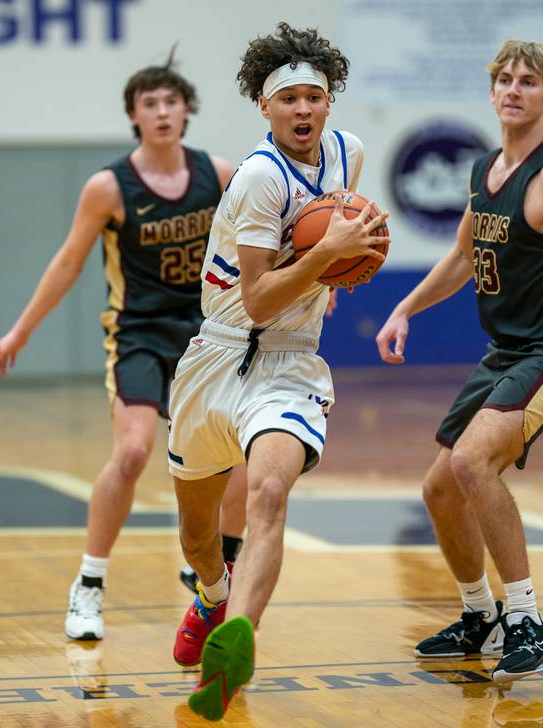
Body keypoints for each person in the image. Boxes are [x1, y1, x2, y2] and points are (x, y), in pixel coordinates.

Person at [376, 39, 543, 684]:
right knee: (438, 488)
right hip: (506, 352)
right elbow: (463, 257)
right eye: (505, 80)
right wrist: (404, 308)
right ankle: (479, 616)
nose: (514, 90)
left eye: (529, 82)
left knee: (470, 462)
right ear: (492, 92)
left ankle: (528, 624)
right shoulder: (484, 168)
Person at [166, 23, 389, 721]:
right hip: (220, 352)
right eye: (287, 99)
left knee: (266, 494)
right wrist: (331, 257)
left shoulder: (347, 153)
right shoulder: (262, 176)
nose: (301, 111)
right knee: (199, 537)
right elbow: (260, 298)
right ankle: (210, 593)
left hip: (290, 365)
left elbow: (336, 240)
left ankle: (238, 646)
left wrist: (356, 256)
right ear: (264, 108)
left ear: (329, 106)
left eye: (313, 99)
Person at [0, 53, 248, 641]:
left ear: (187, 111)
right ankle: (90, 583)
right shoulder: (109, 186)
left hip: (206, 334)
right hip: (137, 334)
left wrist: (314, 275)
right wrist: (21, 331)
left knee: (235, 461)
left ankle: (213, 569)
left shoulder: (221, 174)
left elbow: (266, 236)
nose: (161, 112)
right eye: (149, 104)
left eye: (170, 102)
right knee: (131, 454)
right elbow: (68, 261)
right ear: (133, 115)